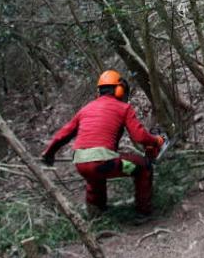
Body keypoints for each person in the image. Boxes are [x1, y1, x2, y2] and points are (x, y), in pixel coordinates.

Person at [41, 70, 165, 217]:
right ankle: (144, 213)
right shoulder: (123, 108)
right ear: (119, 90)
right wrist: (156, 140)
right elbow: (139, 136)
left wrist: (49, 153)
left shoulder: (85, 109)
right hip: (104, 162)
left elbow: (64, 134)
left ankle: (96, 215)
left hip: (81, 163)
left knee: (95, 177)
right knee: (144, 167)